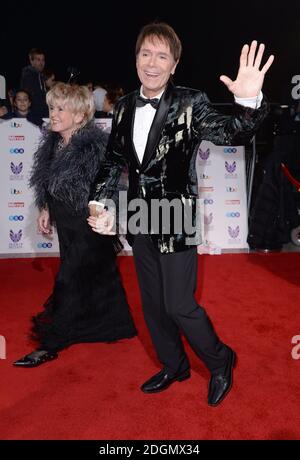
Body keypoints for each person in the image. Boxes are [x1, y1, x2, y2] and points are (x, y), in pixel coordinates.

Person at [87, 22, 274, 406]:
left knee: (179, 304)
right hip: (140, 213)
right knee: (153, 305)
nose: (152, 63)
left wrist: (250, 103)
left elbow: (233, 132)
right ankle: (175, 365)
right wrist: (99, 203)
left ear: (174, 65)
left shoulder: (191, 102)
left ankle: (222, 362)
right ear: (136, 58)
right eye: (145, 54)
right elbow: (111, 163)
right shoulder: (123, 107)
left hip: (175, 211)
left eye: (162, 56)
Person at [13, 82, 137, 368]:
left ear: (80, 116)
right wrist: (45, 207)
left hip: (88, 224)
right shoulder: (54, 141)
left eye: (60, 109)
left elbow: (111, 185)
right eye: (51, 107)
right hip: (66, 223)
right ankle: (114, 325)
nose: (52, 114)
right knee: (100, 276)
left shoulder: (94, 146)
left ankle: (52, 342)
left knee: (68, 279)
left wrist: (105, 216)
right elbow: (47, 182)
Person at [20, 48, 48, 118]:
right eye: (38, 60)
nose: (41, 63)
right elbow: (29, 96)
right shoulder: (28, 75)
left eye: (43, 60)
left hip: (41, 114)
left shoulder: (40, 75)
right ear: (31, 61)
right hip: (34, 116)